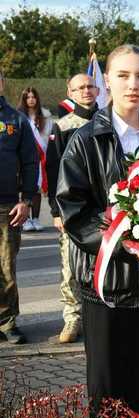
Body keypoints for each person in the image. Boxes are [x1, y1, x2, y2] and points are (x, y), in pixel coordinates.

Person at [56, 44, 139, 418]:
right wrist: (129, 245)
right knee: (108, 391)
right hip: (107, 286)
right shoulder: (85, 140)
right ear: (107, 83)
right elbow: (74, 211)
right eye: (124, 75)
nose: (133, 84)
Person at [46, 73, 100, 344]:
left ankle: (98, 319)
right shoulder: (63, 125)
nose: (86, 91)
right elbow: (54, 169)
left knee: (102, 265)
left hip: (105, 209)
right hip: (73, 209)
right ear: (71, 92)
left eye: (90, 86)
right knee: (70, 267)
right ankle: (73, 318)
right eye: (79, 88)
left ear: (98, 89)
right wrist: (56, 210)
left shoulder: (110, 121)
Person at [0, 70, 38, 345]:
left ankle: (7, 322)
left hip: (7, 207)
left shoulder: (16, 120)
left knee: (5, 268)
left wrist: (25, 201)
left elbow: (29, 162)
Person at [17, 87, 53, 232]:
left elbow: (50, 136)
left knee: (37, 188)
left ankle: (36, 218)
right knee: (24, 187)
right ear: (24, 99)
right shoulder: (19, 116)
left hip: (40, 157)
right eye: (28, 97)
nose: (31, 100)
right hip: (24, 158)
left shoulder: (45, 115)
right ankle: (25, 220)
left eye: (33, 97)